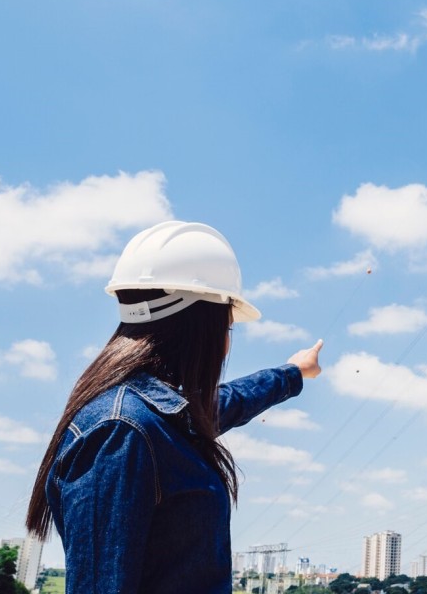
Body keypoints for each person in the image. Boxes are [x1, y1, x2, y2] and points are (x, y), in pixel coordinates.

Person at [25, 220, 322, 593]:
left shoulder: (159, 418)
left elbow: (228, 402)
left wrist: (294, 372)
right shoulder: (122, 431)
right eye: (227, 328)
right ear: (198, 327)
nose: (227, 345)